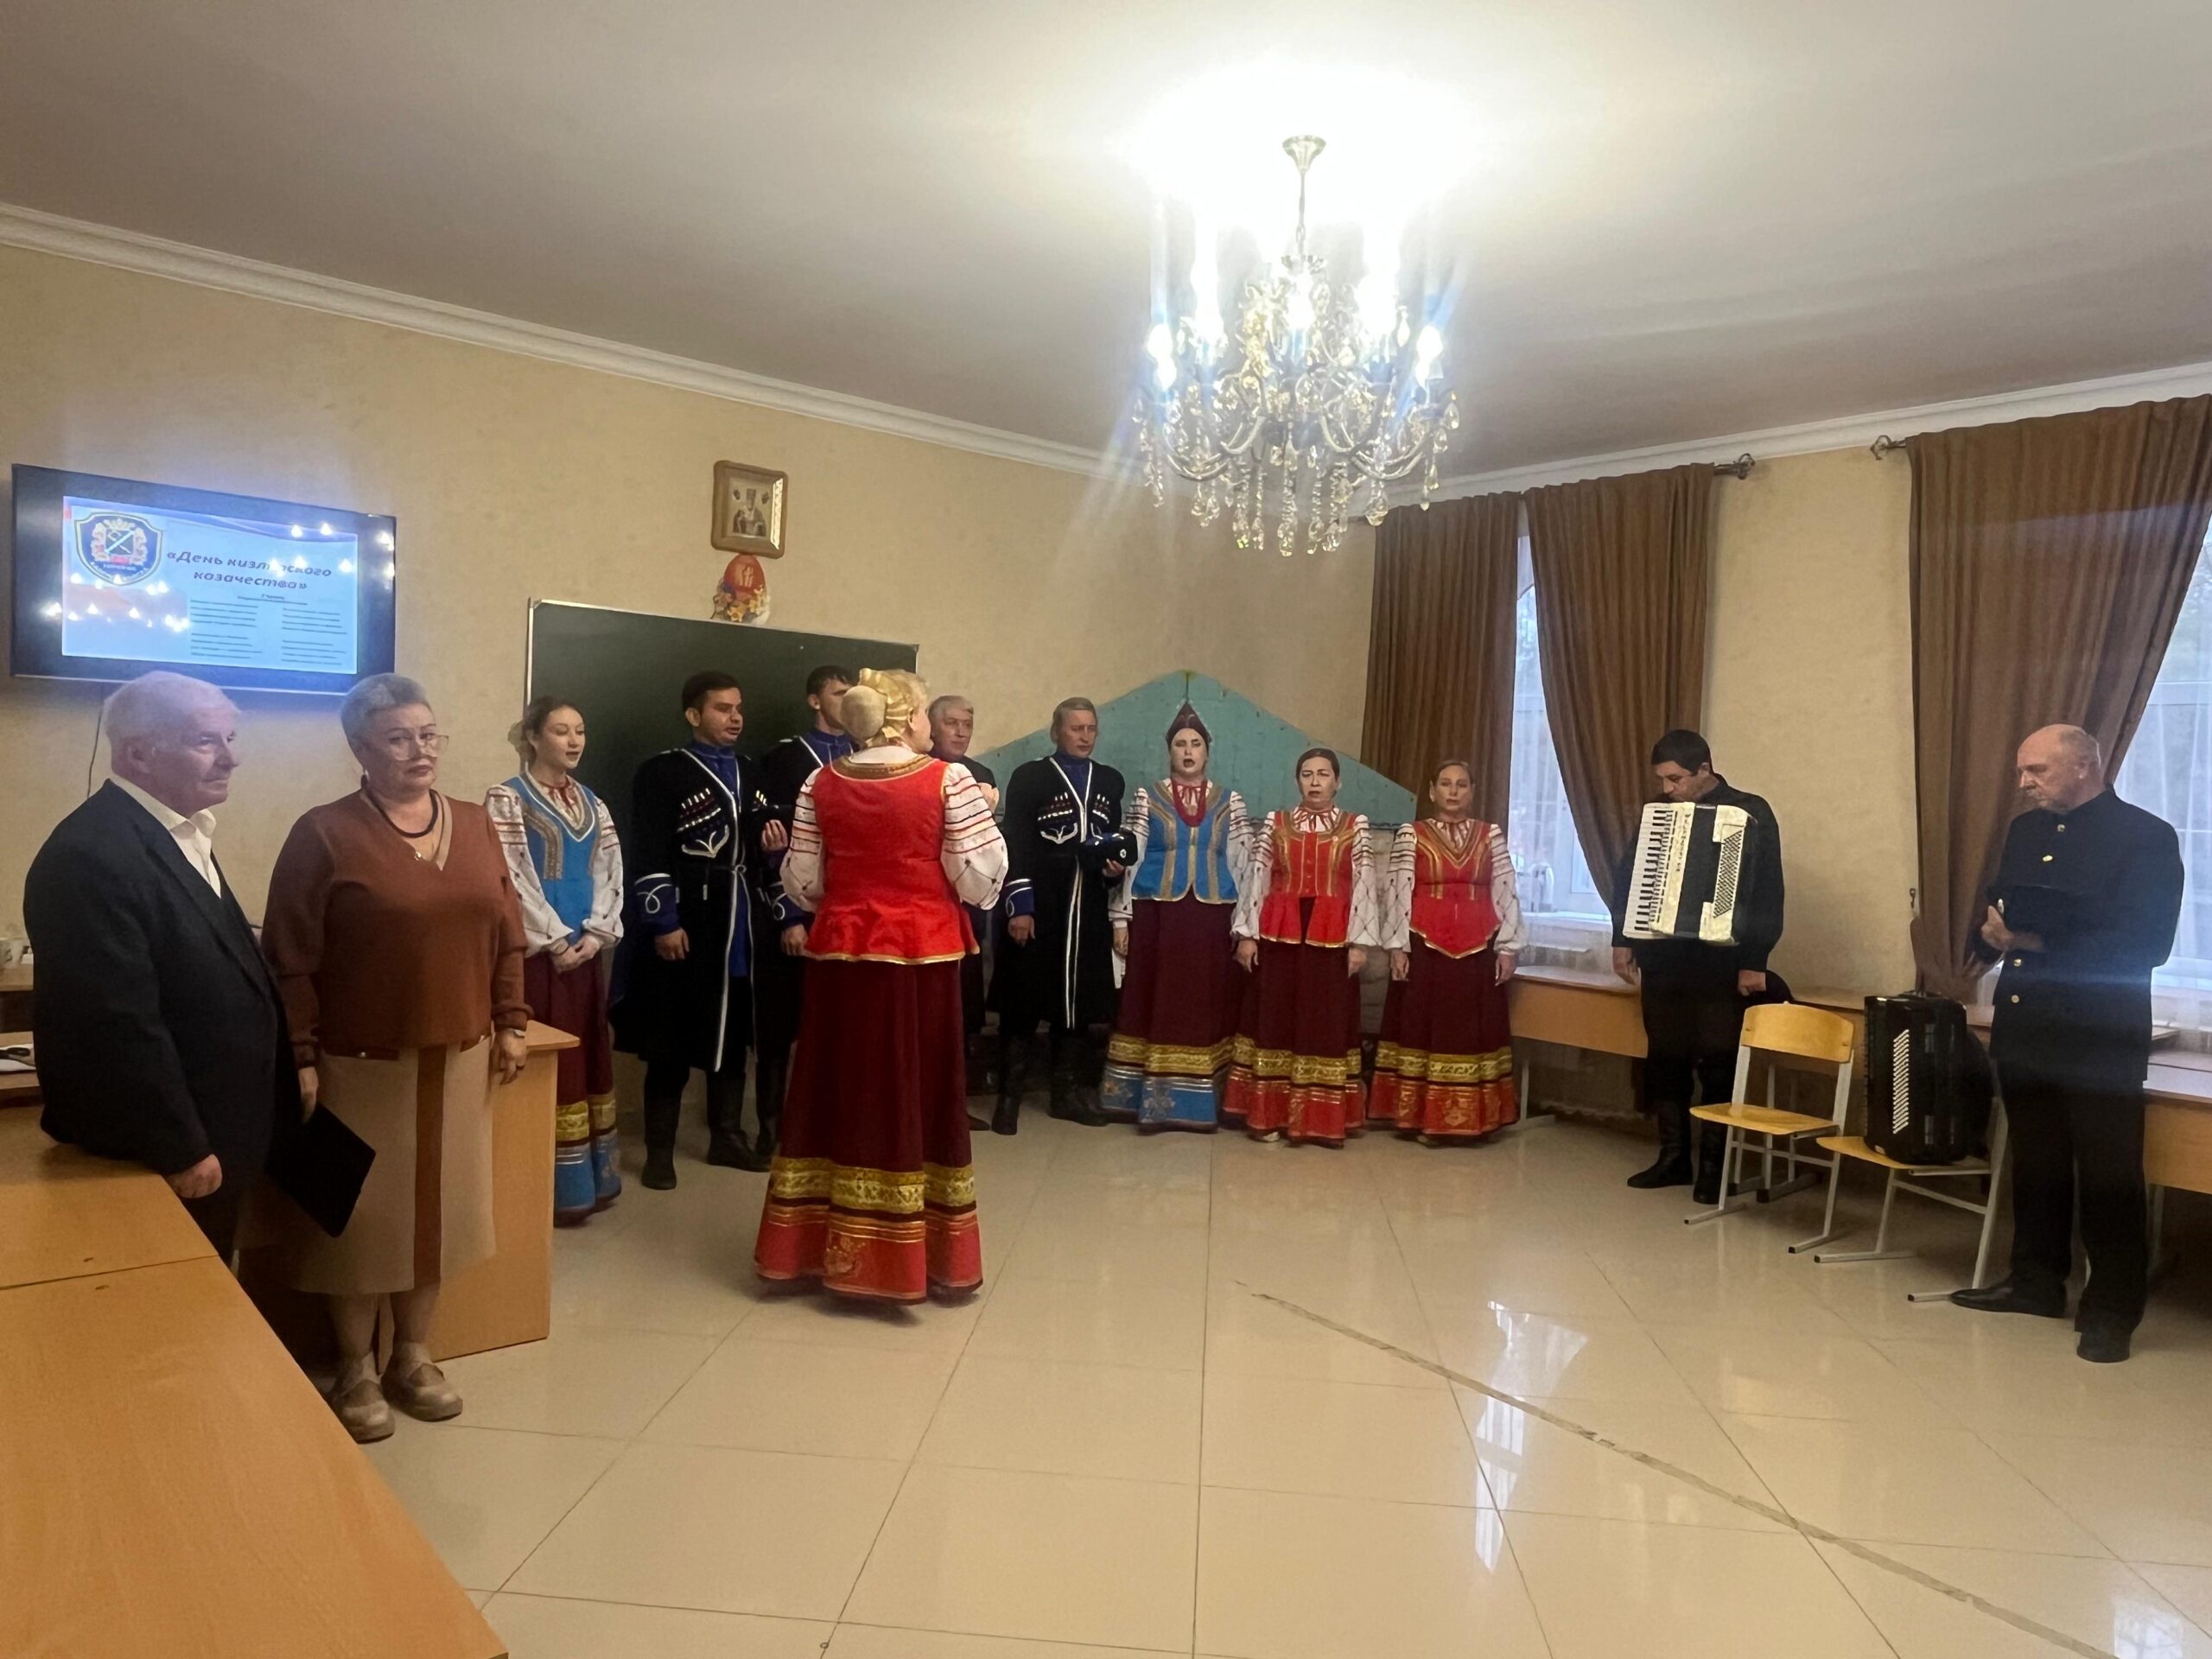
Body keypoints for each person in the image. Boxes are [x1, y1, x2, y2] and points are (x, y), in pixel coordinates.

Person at [260, 675, 530, 1442]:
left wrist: (511, 1020)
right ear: (360, 748)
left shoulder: (475, 824)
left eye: (429, 734)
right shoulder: (323, 833)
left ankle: (414, 1356)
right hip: (356, 1066)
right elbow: (288, 959)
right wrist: (300, 1054)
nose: (420, 750)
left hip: (460, 1059)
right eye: (399, 738)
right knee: (354, 1224)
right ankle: (354, 1368)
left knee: (439, 1220)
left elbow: (507, 933)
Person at [754, 669, 1007, 1301]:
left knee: (837, 1084)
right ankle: (917, 1255)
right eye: (922, 711)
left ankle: (815, 1246)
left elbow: (803, 882)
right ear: (904, 718)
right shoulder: (950, 781)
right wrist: (980, 817)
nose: (927, 723)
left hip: (841, 955)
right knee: (917, 1086)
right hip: (921, 955)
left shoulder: (819, 781)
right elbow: (980, 879)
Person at [26, 671, 297, 1258]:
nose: (231, 758)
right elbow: (115, 1024)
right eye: (205, 741)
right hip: (160, 1154)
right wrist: (180, 1147)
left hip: (217, 1131)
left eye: (230, 738)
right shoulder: (91, 855)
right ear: (138, 754)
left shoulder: (179, 831)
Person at [1950, 725, 2183, 1363]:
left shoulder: (2145, 836)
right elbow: (2007, 913)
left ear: (2083, 766)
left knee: (2109, 1175)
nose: (2024, 783)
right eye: (2022, 771)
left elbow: (2147, 945)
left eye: (2037, 771)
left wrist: (2035, 941)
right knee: (2037, 1165)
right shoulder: (2026, 831)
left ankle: (2111, 1310)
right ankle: (2035, 1282)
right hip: (2027, 1023)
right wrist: (1991, 937)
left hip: (2100, 1033)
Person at [1611, 729, 1785, 1203]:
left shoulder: (1750, 810)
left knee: (1717, 1060)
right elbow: (1628, 877)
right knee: (1665, 1057)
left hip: (1720, 963)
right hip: (1664, 958)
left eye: (1676, 779)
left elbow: (1767, 891)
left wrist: (1755, 961)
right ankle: (1673, 1158)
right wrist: (1623, 938)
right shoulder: (1657, 813)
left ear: (1704, 769)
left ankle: (1714, 1167)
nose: (1668, 789)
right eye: (1663, 780)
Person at [609, 671, 761, 1186]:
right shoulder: (662, 772)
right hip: (688, 921)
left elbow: (761, 846)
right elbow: (648, 850)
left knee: (732, 1036)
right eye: (722, 708)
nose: (735, 718)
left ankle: (726, 1137)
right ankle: (660, 1153)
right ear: (694, 715)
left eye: (738, 708)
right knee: (669, 1040)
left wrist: (774, 845)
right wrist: (663, 920)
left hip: (738, 923)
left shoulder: (749, 771)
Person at [486, 697, 624, 1225]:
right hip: (536, 957)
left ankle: (586, 1183)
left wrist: (596, 933)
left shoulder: (594, 803)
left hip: (584, 955)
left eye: (580, 730)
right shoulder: (506, 799)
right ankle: (535, 1186)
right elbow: (510, 876)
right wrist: (556, 939)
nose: (574, 741)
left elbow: (609, 869)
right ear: (533, 737)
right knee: (545, 1064)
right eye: (561, 731)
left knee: (585, 1056)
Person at [1102, 702, 1253, 1130]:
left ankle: (1203, 1103)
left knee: (1204, 1001)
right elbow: (1129, 859)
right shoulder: (1147, 796)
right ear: (1169, 751)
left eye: (1196, 744)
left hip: (1211, 919)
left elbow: (1245, 865)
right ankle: (1147, 1101)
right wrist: (1120, 919)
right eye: (1181, 744)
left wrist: (1246, 928)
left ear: (1207, 752)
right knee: (1155, 999)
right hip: (1157, 917)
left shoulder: (1230, 801)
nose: (1188, 751)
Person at [1225, 747, 1379, 1145]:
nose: (1315, 782)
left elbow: (1364, 884)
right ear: (1298, 781)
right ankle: (1270, 1116)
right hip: (1280, 937)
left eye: (1323, 774)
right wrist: (1247, 934)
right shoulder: (1276, 823)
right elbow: (1257, 878)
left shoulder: (1355, 826)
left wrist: (1360, 943)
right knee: (1276, 1018)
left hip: (1331, 939)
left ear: (1337, 782)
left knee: (1322, 1022)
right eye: (1307, 774)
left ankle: (1321, 1122)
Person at [990, 696, 1127, 1129]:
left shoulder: (1110, 781)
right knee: (1023, 998)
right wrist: (1021, 906)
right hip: (1041, 906)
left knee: (1077, 1003)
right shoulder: (1030, 777)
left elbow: (1111, 842)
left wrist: (1114, 869)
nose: (1085, 737)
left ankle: (1065, 1095)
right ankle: (1008, 1098)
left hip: (1087, 910)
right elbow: (1016, 844)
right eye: (1076, 729)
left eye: (1091, 729)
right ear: (1056, 732)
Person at [1373, 760, 1527, 1144]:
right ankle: (1422, 1119)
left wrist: (1508, 947)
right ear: (1432, 791)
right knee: (1423, 1029)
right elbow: (1397, 892)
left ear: (1472, 791)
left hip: (1479, 948)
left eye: (1461, 784)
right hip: (1425, 946)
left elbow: (1506, 890)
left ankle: (1474, 1121)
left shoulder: (1491, 836)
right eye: (1445, 783)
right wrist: (1397, 946)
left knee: (1472, 1031)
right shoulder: (1412, 834)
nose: (1453, 791)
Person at [747, 665, 855, 1167]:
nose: (848, 701)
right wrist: (788, 914)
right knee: (780, 1023)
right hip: (797, 911)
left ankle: (831, 1127)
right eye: (839, 693)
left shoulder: (866, 757)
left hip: (849, 912)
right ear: (815, 700)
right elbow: (772, 847)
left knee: (839, 1024)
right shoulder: (784, 758)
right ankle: (771, 1130)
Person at [928, 693, 1003, 1119]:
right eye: (952, 723)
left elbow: (988, 845)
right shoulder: (918, 770)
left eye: (967, 725)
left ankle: (954, 1103)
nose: (960, 733)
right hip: (929, 902)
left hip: (969, 908)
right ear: (931, 726)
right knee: (931, 1004)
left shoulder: (981, 775)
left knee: (965, 1000)